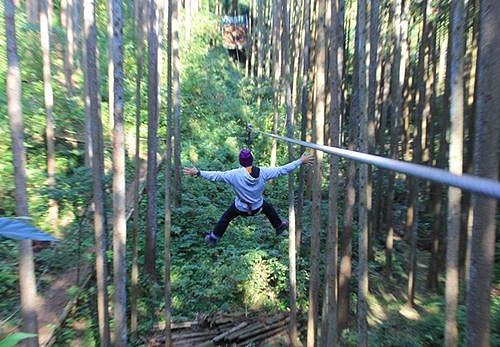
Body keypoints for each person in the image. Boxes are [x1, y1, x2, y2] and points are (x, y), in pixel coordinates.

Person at [183, 148, 315, 246]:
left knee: (225, 218)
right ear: (252, 160)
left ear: (240, 162)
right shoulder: (264, 172)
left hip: (240, 208)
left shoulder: (233, 174)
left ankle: (213, 237)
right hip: (258, 207)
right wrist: (300, 161)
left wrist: (198, 172)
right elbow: (283, 169)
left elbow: (216, 175)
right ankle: (279, 226)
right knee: (268, 208)